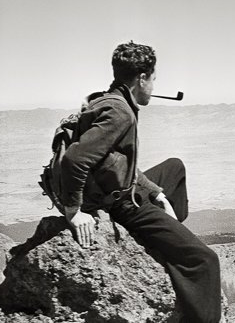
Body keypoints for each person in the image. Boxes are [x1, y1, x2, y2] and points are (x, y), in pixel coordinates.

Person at [60, 41, 222, 323]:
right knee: (205, 260)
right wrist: (74, 211)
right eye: (154, 78)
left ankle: (169, 232)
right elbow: (75, 160)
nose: (154, 86)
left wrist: (157, 192)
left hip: (123, 187)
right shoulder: (120, 112)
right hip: (123, 204)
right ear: (142, 78)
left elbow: (118, 163)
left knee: (174, 168)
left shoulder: (107, 99)